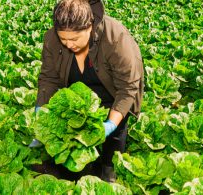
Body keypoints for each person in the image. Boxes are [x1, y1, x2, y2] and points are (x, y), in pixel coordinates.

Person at [30, 0, 144, 182]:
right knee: (71, 135)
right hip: (79, 96)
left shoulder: (115, 38)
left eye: (74, 39)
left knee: (115, 137)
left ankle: (108, 169)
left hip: (112, 92)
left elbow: (127, 87)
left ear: (89, 26)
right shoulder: (52, 39)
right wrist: (40, 112)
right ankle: (72, 171)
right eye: (64, 39)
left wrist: (111, 125)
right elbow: (48, 78)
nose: (68, 45)